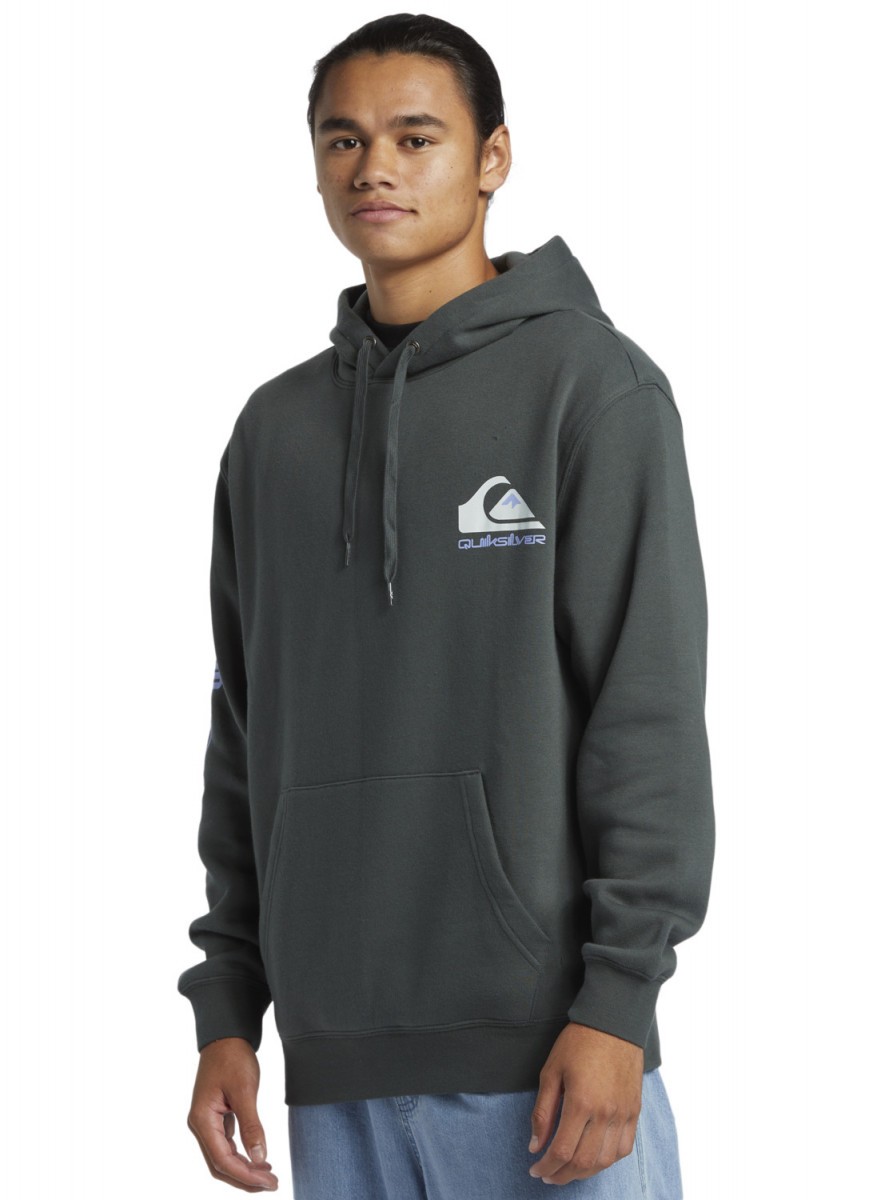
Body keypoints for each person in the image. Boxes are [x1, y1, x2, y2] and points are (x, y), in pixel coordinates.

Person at [177, 12, 715, 1198]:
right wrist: (228, 1005)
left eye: (414, 137)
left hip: (550, 1068)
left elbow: (644, 716)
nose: (373, 167)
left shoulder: (593, 390)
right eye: (343, 140)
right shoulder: (271, 434)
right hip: (332, 1072)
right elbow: (243, 734)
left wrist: (617, 1005)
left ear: (491, 158)